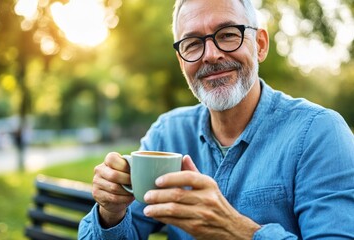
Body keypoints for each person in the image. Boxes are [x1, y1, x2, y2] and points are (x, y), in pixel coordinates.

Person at [79, 0, 354, 239]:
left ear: (259, 45)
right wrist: (110, 212)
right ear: (181, 61)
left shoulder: (319, 133)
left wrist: (238, 231)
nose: (211, 55)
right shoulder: (167, 134)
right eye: (193, 43)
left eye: (227, 35)